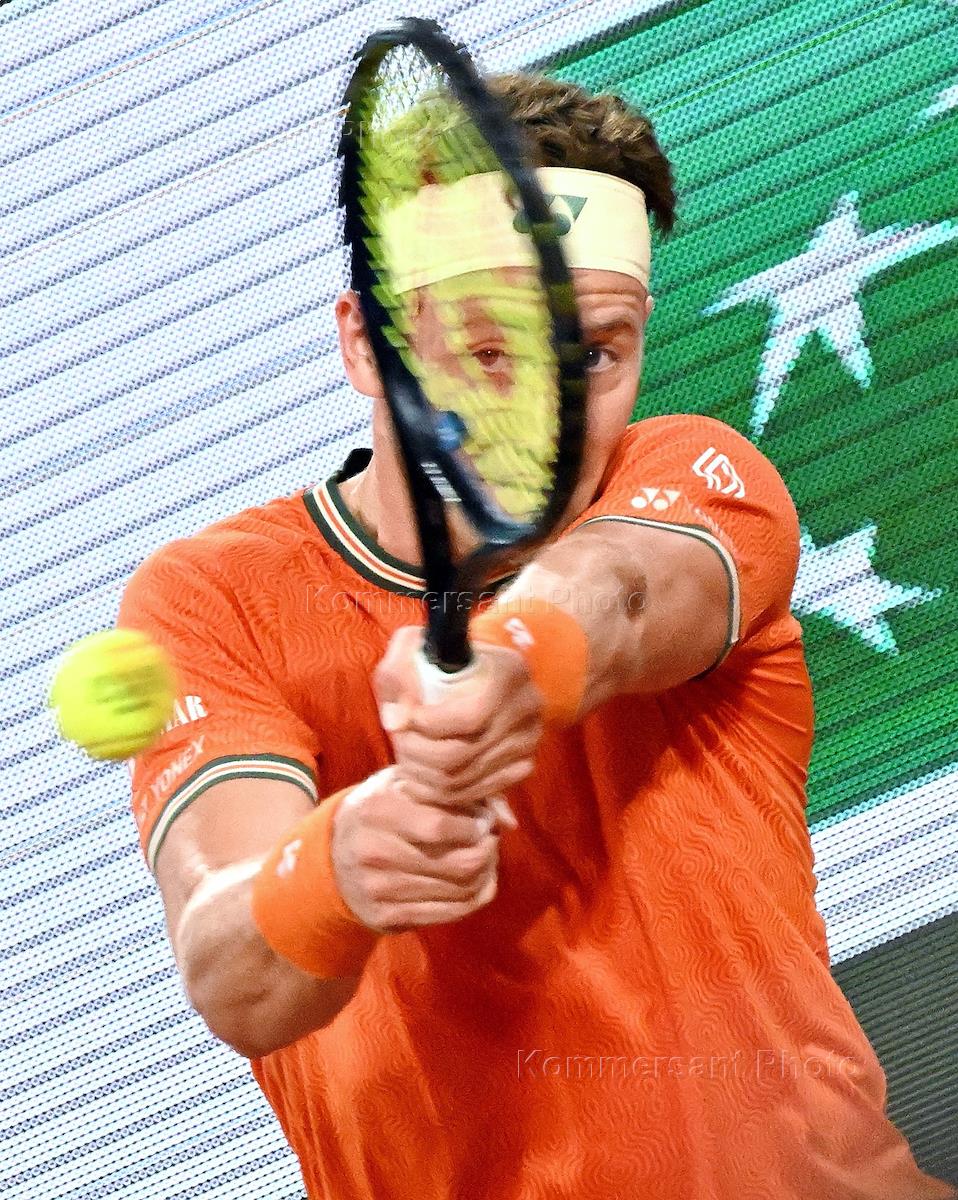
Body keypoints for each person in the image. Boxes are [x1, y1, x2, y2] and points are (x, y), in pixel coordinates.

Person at [118, 74, 954, 1200]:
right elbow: (234, 976)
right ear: (366, 344)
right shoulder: (213, 598)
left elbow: (621, 592)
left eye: (595, 353)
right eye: (488, 349)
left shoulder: (701, 473)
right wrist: (341, 865)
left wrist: (507, 663)